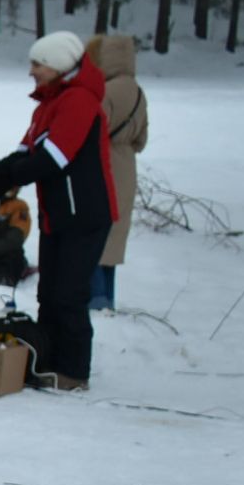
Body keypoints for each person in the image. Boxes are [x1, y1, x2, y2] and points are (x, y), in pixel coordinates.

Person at [0, 32, 117, 390]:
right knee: (48, 293)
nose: (31, 72)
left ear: (58, 64)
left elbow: (54, 159)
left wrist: (9, 175)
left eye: (37, 64)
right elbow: (26, 152)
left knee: (69, 294)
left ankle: (74, 371)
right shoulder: (48, 104)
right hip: (57, 215)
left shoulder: (79, 101)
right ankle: (47, 360)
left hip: (84, 215)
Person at [85, 33, 148, 311]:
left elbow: (93, 128)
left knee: (95, 234)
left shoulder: (107, 91)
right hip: (127, 165)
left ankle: (95, 299)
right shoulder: (138, 92)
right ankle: (108, 296)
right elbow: (141, 140)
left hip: (103, 163)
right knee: (115, 237)